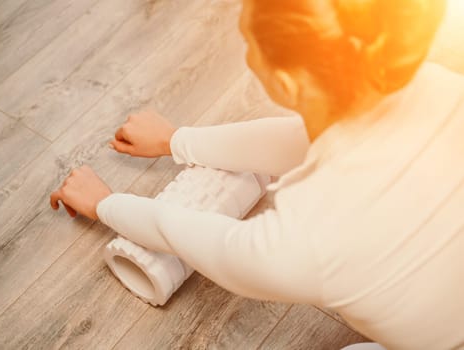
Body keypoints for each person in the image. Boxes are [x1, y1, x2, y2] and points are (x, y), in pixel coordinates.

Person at [50, 0, 464, 348]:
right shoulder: (438, 84)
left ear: (284, 80)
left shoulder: (304, 241)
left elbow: (203, 239)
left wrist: (105, 203)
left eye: (249, 45)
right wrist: (177, 140)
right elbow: (300, 139)